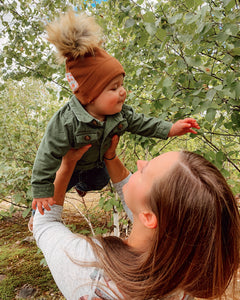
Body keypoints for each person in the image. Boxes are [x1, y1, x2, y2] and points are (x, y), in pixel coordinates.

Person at [31, 10, 200, 215]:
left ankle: (83, 188)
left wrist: (171, 128)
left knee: (100, 181)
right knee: (53, 193)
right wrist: (41, 189)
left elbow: (144, 123)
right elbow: (46, 154)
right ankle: (37, 215)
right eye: (113, 88)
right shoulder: (67, 121)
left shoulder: (121, 115)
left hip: (97, 165)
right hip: (71, 168)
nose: (122, 92)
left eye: (122, 84)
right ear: (90, 96)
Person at [33, 136, 240, 300]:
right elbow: (149, 209)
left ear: (149, 218)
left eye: (144, 171)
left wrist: (67, 164)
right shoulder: (183, 274)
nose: (140, 163)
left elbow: (45, 224)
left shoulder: (89, 266)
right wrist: (111, 158)